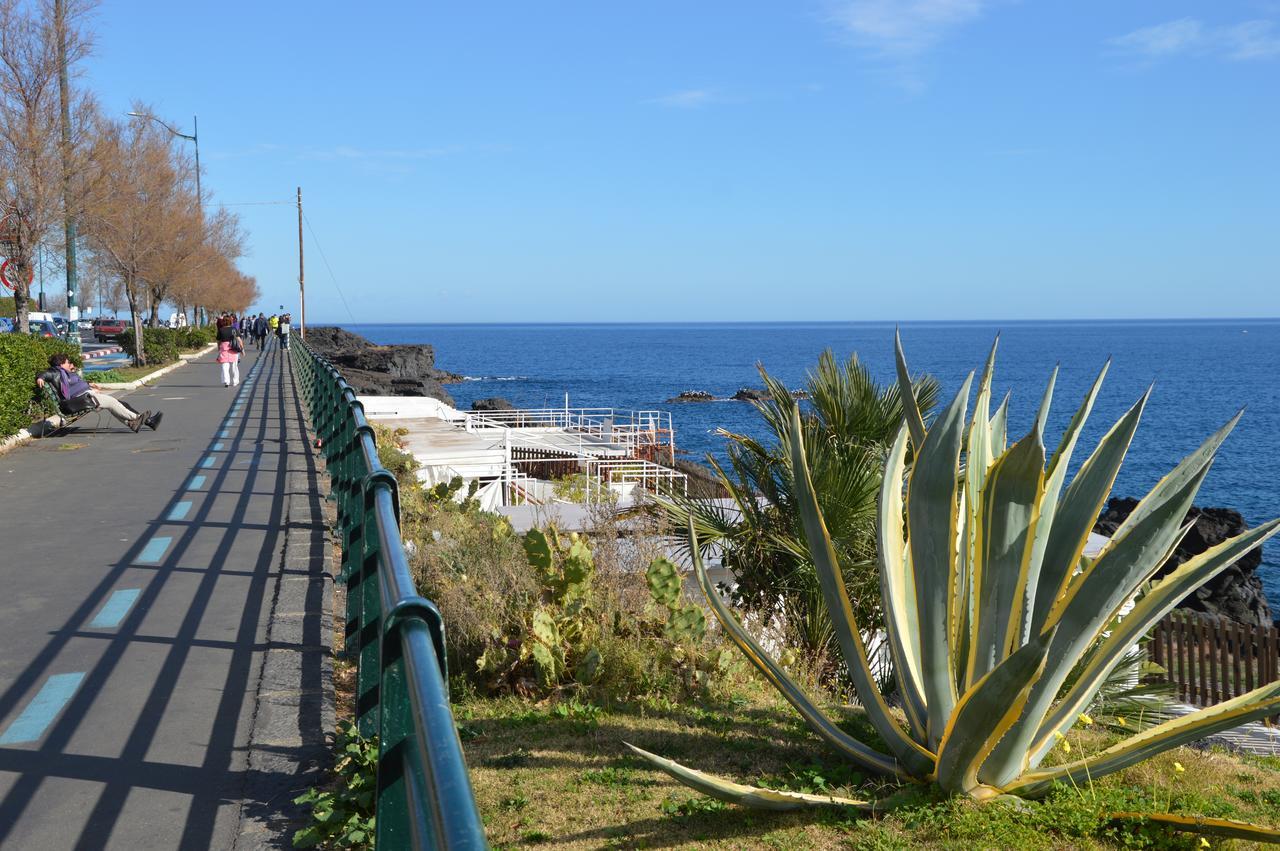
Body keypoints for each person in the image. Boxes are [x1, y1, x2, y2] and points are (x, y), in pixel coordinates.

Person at [36, 354, 162, 433]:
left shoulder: (64, 373)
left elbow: (75, 383)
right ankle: (139, 419)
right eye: (68, 363)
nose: (70, 364)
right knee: (113, 403)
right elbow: (45, 374)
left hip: (84, 397)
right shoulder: (56, 372)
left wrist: (88, 384)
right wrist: (40, 378)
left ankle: (137, 422)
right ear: (61, 364)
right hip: (80, 400)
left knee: (119, 403)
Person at [216, 316, 243, 387]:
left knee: (225, 366)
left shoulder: (221, 330)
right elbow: (239, 340)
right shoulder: (233, 329)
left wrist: (218, 348)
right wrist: (242, 349)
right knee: (234, 366)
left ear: (223, 322)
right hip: (233, 348)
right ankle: (235, 381)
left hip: (224, 349)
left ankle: (226, 381)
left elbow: (219, 341)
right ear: (231, 321)